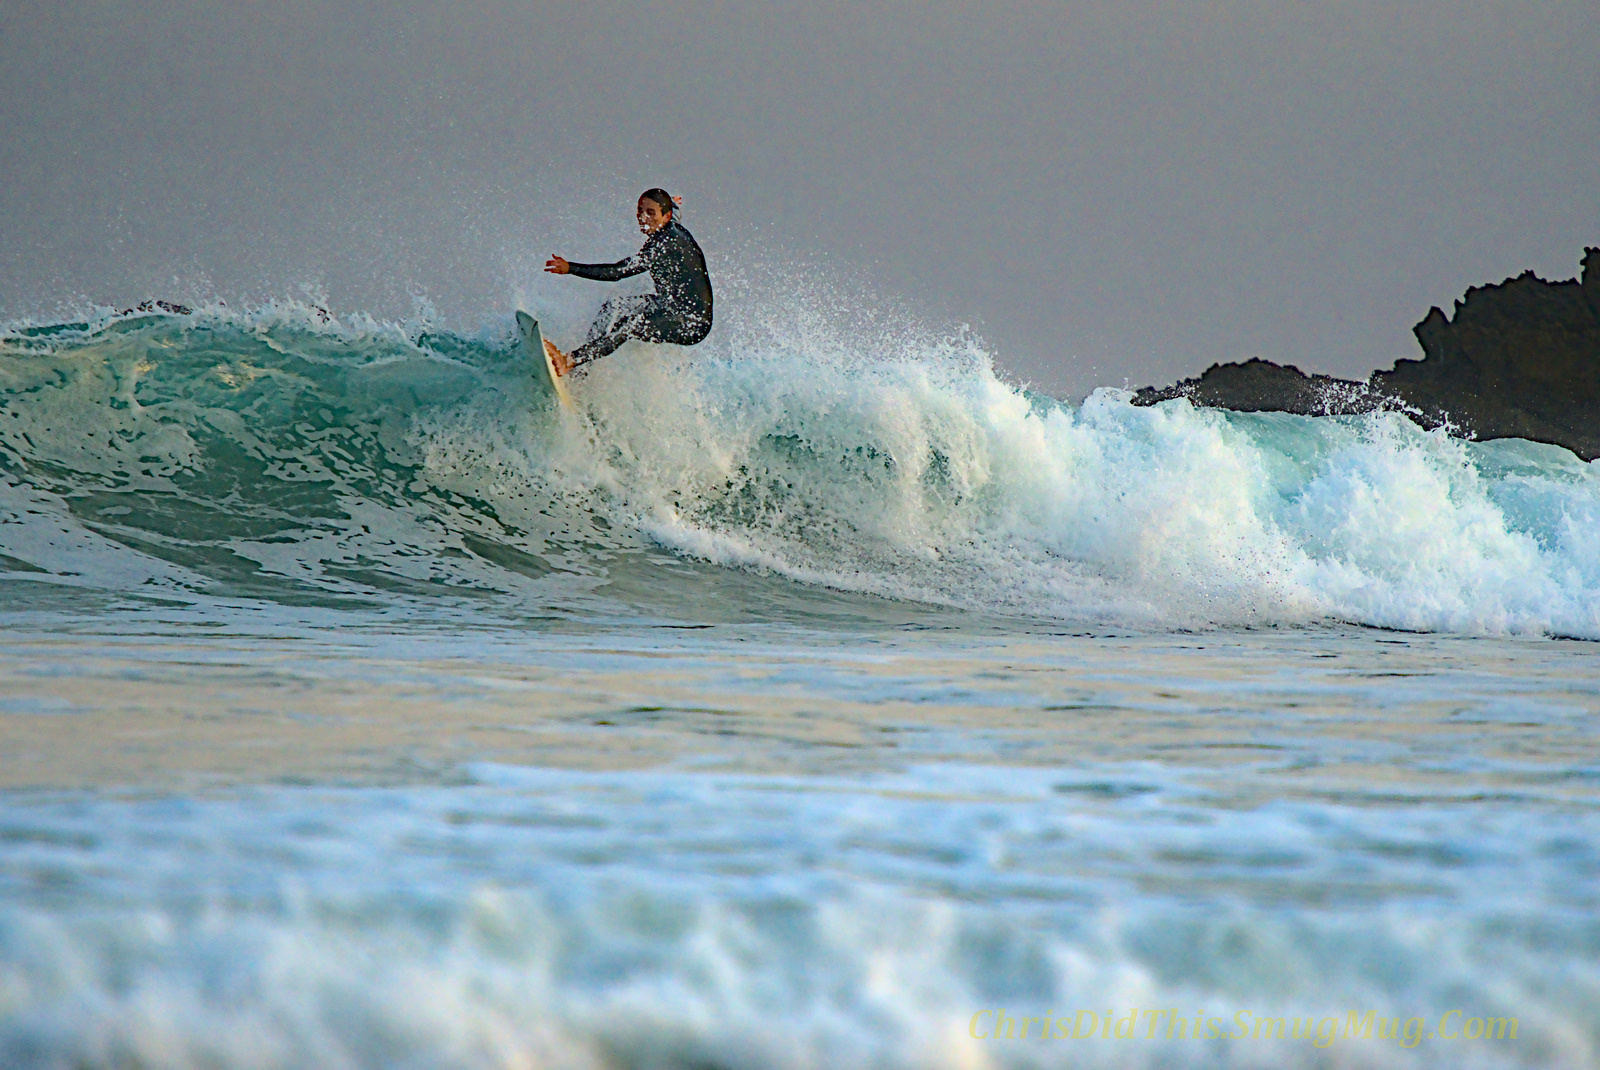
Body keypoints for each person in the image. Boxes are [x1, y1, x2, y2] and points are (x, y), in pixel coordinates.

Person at [543, 189, 713, 376]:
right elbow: (672, 211)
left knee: (629, 326)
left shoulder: (662, 246)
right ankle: (583, 370)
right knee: (614, 306)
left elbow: (617, 272)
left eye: (650, 213)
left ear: (666, 217)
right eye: (640, 210)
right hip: (668, 304)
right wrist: (671, 202)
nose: (643, 217)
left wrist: (570, 268)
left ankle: (571, 361)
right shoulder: (667, 224)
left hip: (691, 321)